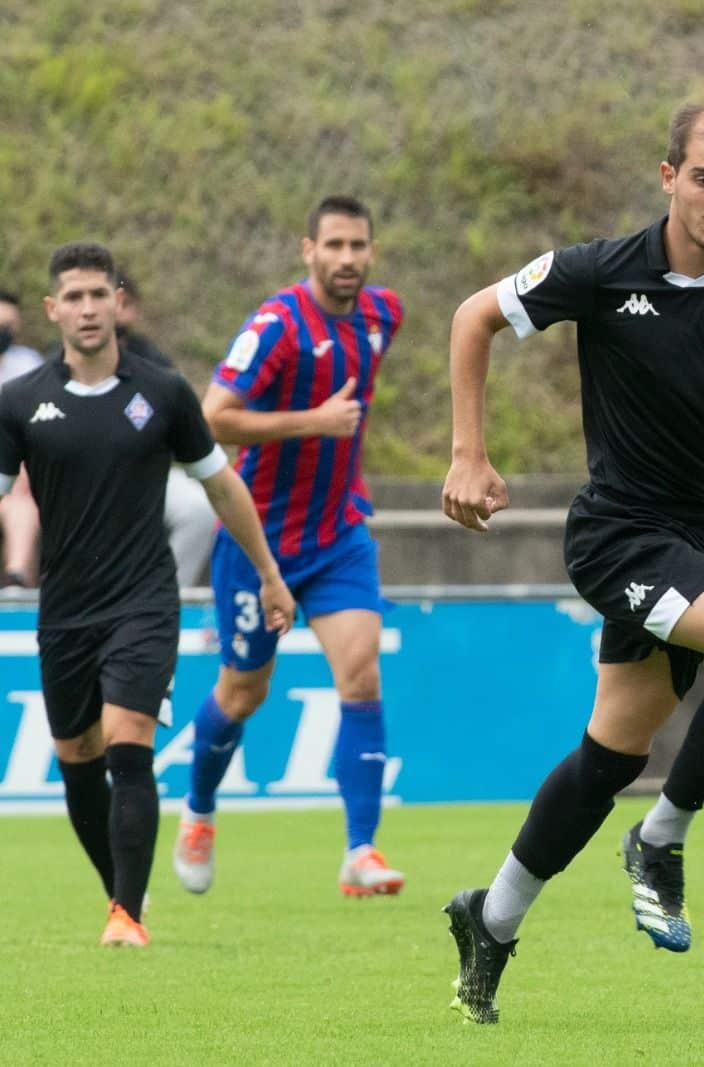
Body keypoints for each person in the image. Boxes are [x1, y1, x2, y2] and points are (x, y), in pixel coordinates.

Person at [438, 103, 704, 1024]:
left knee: (612, 751)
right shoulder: (601, 272)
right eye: (703, 179)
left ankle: (492, 916)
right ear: (668, 177)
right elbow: (471, 317)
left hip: (695, 542)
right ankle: (661, 839)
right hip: (618, 535)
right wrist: (467, 453)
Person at [0, 242, 293, 946]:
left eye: (99, 293)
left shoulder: (161, 393)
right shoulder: (20, 402)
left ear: (118, 300)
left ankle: (125, 916)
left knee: (129, 744)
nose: (88, 307)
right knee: (77, 761)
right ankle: (120, 894)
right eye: (73, 296)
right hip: (65, 606)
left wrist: (269, 572)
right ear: (53, 309)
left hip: (143, 600)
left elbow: (221, 484)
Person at [171, 196, 407, 898]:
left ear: (371, 250)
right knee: (244, 692)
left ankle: (360, 851)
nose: (347, 259)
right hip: (256, 540)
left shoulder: (381, 314)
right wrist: (315, 421)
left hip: (337, 535)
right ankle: (199, 810)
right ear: (307, 250)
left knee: (361, 675)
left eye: (358, 245)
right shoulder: (276, 326)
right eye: (333, 245)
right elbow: (211, 421)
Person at [114, 272, 217, 587]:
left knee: (200, 507)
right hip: (76, 481)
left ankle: (167, 593)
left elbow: (182, 428)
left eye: (123, 302)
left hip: (146, 472)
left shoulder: (155, 365)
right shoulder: (54, 369)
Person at [0, 288, 45, 587]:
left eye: (8, 328)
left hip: (16, 470)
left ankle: (16, 582)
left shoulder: (28, 363)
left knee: (22, 496)